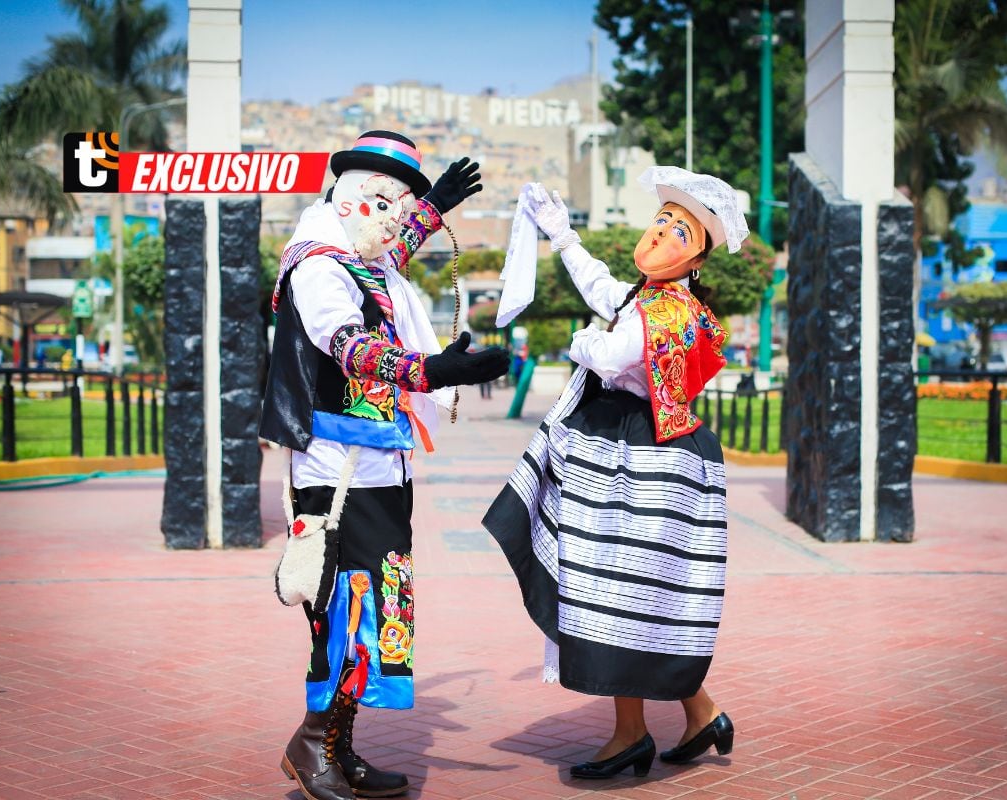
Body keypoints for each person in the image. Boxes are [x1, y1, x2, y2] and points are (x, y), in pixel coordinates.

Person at [260, 130, 510, 800]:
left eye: (403, 208)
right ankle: (312, 744)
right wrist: (431, 370)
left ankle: (339, 744)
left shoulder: (358, 261)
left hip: (376, 469)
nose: (397, 219)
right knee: (342, 611)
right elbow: (348, 348)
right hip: (335, 476)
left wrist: (434, 211)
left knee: (378, 612)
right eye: (387, 205)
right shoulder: (316, 268)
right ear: (350, 202)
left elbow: (388, 255)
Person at [483, 167, 749, 779]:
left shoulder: (667, 310)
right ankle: (699, 713)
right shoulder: (650, 298)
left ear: (697, 256)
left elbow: (612, 352)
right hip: (640, 450)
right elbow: (602, 287)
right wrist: (561, 234)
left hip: (640, 458)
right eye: (661, 219)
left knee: (619, 589)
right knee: (638, 595)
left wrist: (578, 342)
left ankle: (632, 732)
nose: (660, 233)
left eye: (678, 229)